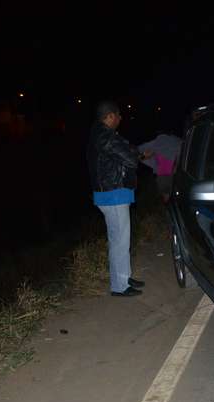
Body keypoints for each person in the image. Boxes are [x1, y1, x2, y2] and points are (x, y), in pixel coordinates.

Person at [86, 100, 149, 297]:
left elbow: (127, 152)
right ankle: (119, 286)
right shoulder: (104, 135)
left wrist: (135, 154)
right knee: (119, 241)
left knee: (122, 240)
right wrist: (135, 156)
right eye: (118, 115)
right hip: (112, 194)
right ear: (110, 116)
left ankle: (124, 277)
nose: (121, 119)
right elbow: (129, 158)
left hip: (113, 193)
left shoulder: (103, 135)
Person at [138, 131, 182, 203]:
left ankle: (166, 208)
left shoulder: (157, 142)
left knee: (165, 196)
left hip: (163, 175)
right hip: (173, 173)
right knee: (172, 196)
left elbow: (140, 149)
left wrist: (138, 154)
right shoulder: (177, 142)